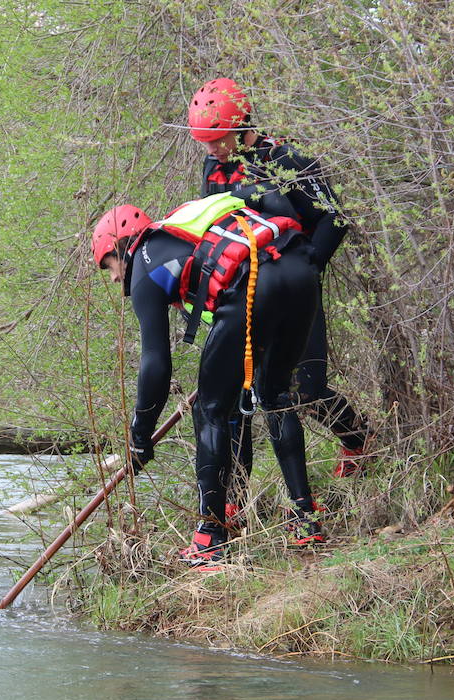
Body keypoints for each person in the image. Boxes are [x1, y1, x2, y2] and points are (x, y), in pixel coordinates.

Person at [91, 190, 324, 566]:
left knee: (210, 409)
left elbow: (156, 365)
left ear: (121, 246)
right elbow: (270, 203)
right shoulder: (188, 221)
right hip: (300, 270)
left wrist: (139, 433)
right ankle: (305, 519)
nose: (116, 276)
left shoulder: (142, 268)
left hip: (253, 283)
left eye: (108, 265)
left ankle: (210, 537)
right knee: (275, 395)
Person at [188, 78, 371, 489]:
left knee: (307, 388)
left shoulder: (284, 158)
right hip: (243, 292)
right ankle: (234, 494)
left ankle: (358, 439)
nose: (212, 149)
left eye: (217, 139)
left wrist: (309, 262)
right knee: (240, 392)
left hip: (293, 287)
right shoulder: (213, 167)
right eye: (205, 141)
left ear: (240, 127)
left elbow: (334, 216)